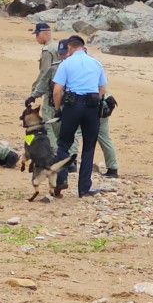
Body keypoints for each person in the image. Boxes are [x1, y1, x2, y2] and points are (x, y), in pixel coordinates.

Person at [52, 35, 108, 198]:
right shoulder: (96, 63)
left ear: (69, 47)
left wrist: (58, 109)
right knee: (89, 146)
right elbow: (102, 89)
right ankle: (84, 188)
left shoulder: (66, 63)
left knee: (64, 144)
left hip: (73, 104)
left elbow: (57, 90)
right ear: (83, 47)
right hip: (92, 105)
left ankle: (61, 179)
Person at [25, 22, 59, 119]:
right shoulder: (57, 46)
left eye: (37, 34)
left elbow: (45, 72)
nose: (36, 37)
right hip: (62, 87)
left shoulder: (47, 50)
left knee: (48, 117)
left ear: (45, 33)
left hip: (51, 87)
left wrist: (35, 92)